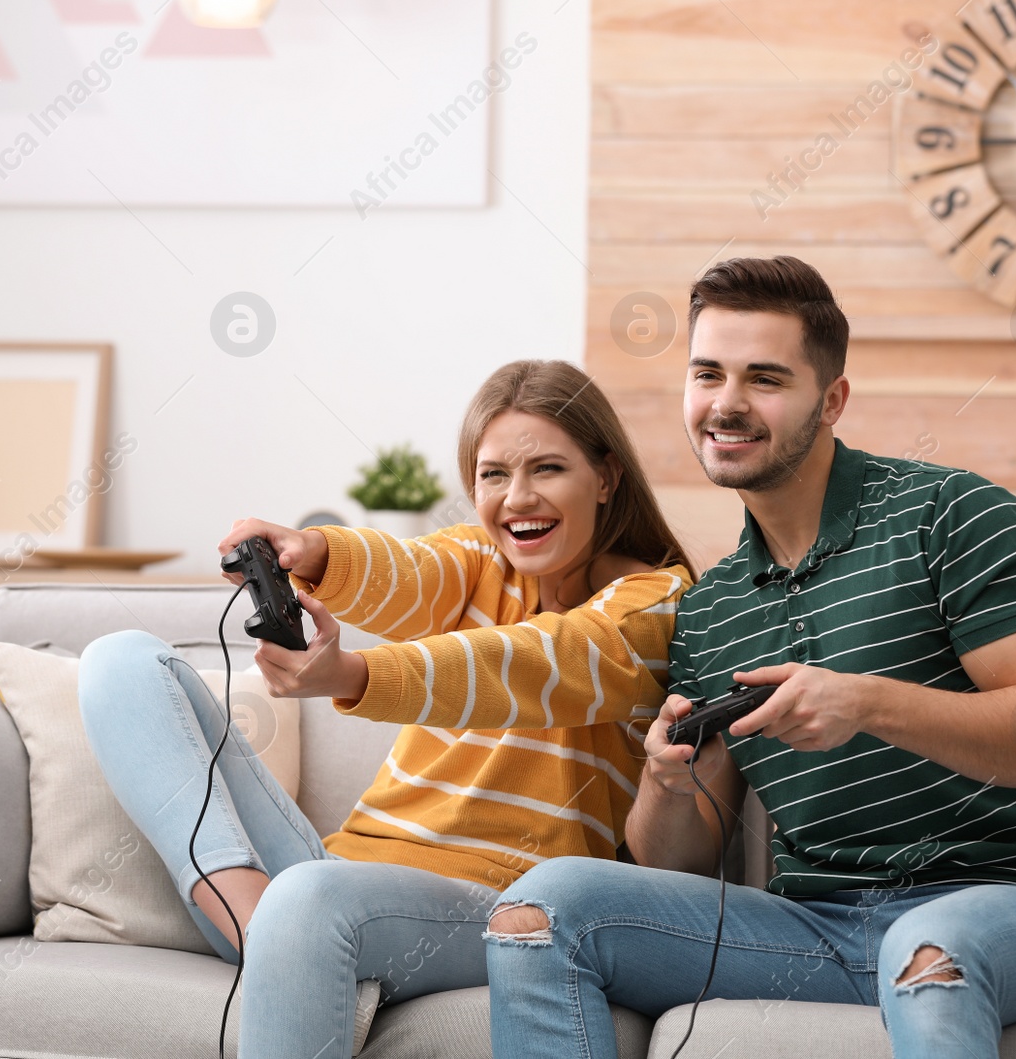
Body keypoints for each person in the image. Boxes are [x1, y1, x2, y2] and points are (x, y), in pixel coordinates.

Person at [484, 257, 1016, 1059]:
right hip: (815, 927)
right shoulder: (711, 609)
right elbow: (677, 859)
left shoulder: (951, 515)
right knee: (540, 912)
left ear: (832, 399)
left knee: (926, 950)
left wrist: (865, 702)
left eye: (765, 378)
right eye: (707, 372)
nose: (727, 403)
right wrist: (667, 782)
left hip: (1009, 908)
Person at [77, 360, 694, 1059]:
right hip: (336, 876)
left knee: (310, 903)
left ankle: (284, 933)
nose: (516, 498)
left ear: (607, 476)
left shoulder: (655, 601)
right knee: (120, 661)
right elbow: (406, 571)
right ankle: (262, 927)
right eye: (492, 474)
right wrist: (313, 552)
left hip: (494, 905)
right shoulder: (477, 559)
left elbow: (533, 662)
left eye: (547, 468)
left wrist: (352, 672)